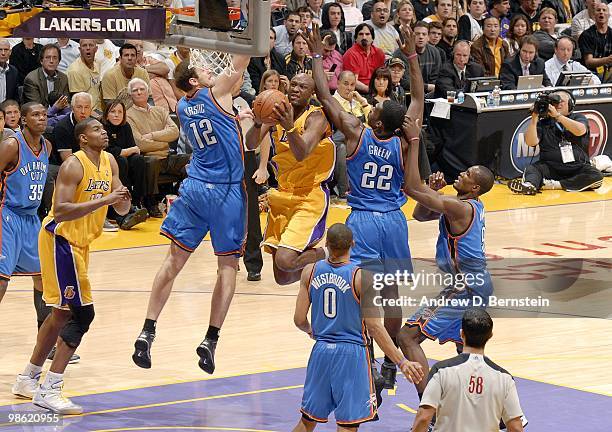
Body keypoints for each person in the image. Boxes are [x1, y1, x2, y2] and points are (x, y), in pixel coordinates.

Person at [308, 23, 422, 390]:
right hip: (394, 221)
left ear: (376, 120)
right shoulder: (404, 143)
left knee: (366, 297)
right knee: (392, 296)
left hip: (365, 223)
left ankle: (371, 360)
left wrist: (314, 57)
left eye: (377, 109)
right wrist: (414, 59)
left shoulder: (357, 133)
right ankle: (392, 364)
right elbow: (417, 98)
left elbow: (325, 98)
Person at [132, 54, 251, 373]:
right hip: (225, 191)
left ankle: (148, 329)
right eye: (205, 69)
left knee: (173, 261)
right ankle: (211, 338)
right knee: (228, 267)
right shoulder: (216, 94)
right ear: (196, 81)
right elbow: (241, 63)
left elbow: (230, 81)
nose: (212, 70)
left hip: (195, 188)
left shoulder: (183, 107)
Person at [12, 118, 132, 414]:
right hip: (60, 239)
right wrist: (106, 199)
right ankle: (50, 388)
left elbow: (121, 207)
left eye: (104, 129)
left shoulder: (110, 161)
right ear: (82, 139)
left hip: (81, 243)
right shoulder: (73, 166)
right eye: (96, 129)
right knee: (82, 314)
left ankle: (27, 378)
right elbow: (62, 210)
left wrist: (122, 201)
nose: (103, 132)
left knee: (60, 315)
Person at [398, 102, 495, 402]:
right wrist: (434, 192)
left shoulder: (460, 207)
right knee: (467, 350)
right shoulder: (463, 206)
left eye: (467, 174)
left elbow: (410, 187)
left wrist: (414, 142)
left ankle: (429, 406)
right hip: (473, 286)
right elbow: (420, 214)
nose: (461, 174)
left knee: (407, 336)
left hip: (465, 288)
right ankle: (497, 405)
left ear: (475, 188)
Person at [291, 223, 424, 432]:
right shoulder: (361, 277)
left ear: (327, 244)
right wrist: (402, 361)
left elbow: (299, 319)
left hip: (321, 352)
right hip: (352, 356)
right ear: (352, 244)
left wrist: (311, 330)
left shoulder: (310, 271)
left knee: (307, 422)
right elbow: (375, 327)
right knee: (347, 425)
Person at [246, 71, 335, 286]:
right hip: (283, 194)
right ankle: (322, 271)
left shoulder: (317, 117)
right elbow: (250, 144)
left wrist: (289, 127)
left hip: (309, 195)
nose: (295, 89)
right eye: (293, 84)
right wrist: (258, 124)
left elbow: (301, 152)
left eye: (302, 87)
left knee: (285, 260)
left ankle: (329, 253)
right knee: (283, 277)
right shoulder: (277, 111)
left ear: (312, 92)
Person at [411, 309, 525, 432]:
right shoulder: (505, 378)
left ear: (461, 334)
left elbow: (424, 418)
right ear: (490, 336)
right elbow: (516, 428)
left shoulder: (441, 370)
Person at [0, 103, 49, 321]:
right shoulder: (12, 145)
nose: (42, 118)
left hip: (31, 219)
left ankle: (46, 343)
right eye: (36, 115)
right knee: (1, 279)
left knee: (42, 277)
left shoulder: (47, 145)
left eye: (44, 115)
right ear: (24, 120)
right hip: (7, 215)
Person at [508, 90, 604, 194]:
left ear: (570, 104)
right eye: (554, 101)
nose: (558, 104)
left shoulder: (578, 118)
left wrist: (558, 116)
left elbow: (580, 131)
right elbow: (531, 142)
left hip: (576, 167)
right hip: (550, 167)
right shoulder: (543, 123)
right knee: (532, 169)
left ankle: (556, 185)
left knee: (596, 176)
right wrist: (534, 118)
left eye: (561, 101)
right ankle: (529, 186)